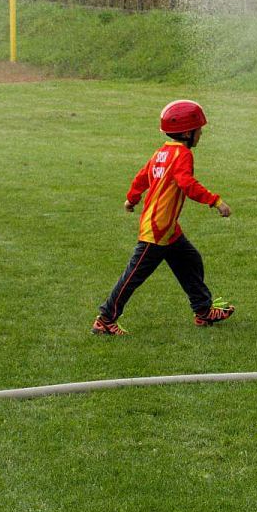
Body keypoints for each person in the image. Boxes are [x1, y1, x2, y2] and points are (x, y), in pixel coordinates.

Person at [93, 99, 235, 336]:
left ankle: (203, 310)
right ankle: (105, 319)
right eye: (199, 129)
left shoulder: (162, 152)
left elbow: (142, 176)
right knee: (133, 276)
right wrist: (216, 201)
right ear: (187, 133)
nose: (201, 133)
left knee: (191, 260)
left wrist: (131, 199)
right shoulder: (182, 155)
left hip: (169, 229)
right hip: (157, 230)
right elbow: (187, 184)